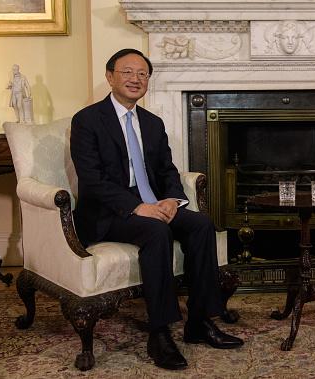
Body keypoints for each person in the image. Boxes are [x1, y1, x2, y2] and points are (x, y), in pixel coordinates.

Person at [70, 49, 243, 371]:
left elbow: (166, 170)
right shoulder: (88, 120)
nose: (136, 79)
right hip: (109, 212)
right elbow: (91, 180)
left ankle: (200, 322)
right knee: (155, 230)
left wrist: (172, 200)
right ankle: (159, 332)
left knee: (201, 224)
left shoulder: (152, 122)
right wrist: (136, 207)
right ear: (110, 77)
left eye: (143, 74)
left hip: (152, 202)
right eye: (127, 72)